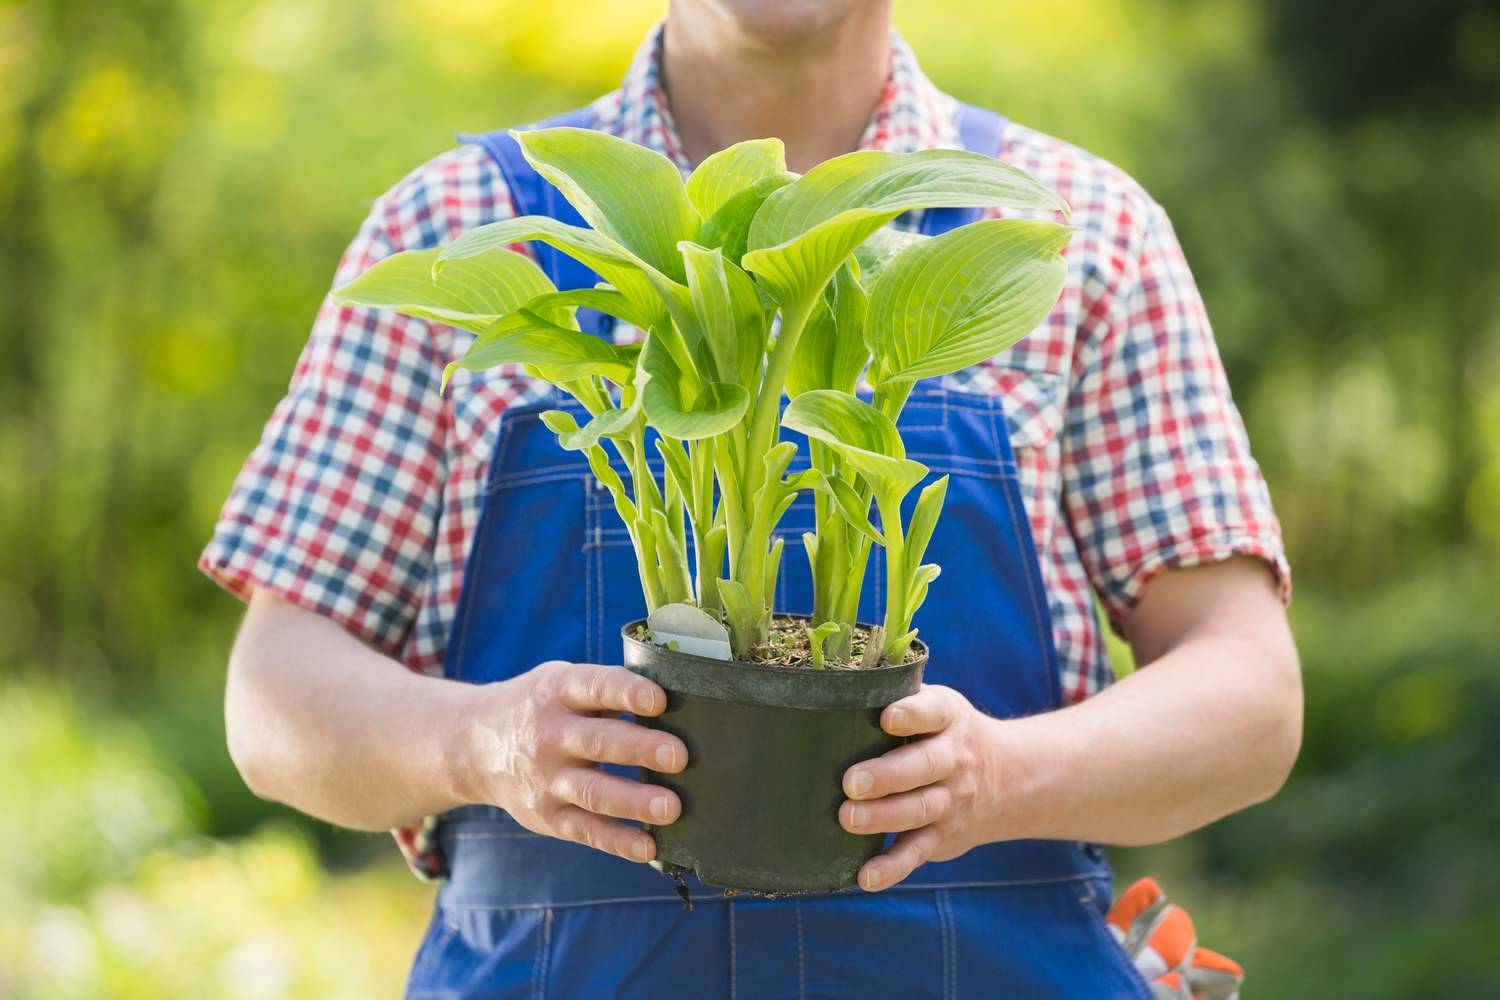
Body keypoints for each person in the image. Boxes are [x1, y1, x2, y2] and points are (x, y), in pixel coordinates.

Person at [203, 1, 1300, 995]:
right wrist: (483, 742)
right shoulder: (458, 225)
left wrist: (1004, 775)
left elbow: (1249, 695)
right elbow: (276, 691)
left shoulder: (1076, 232)